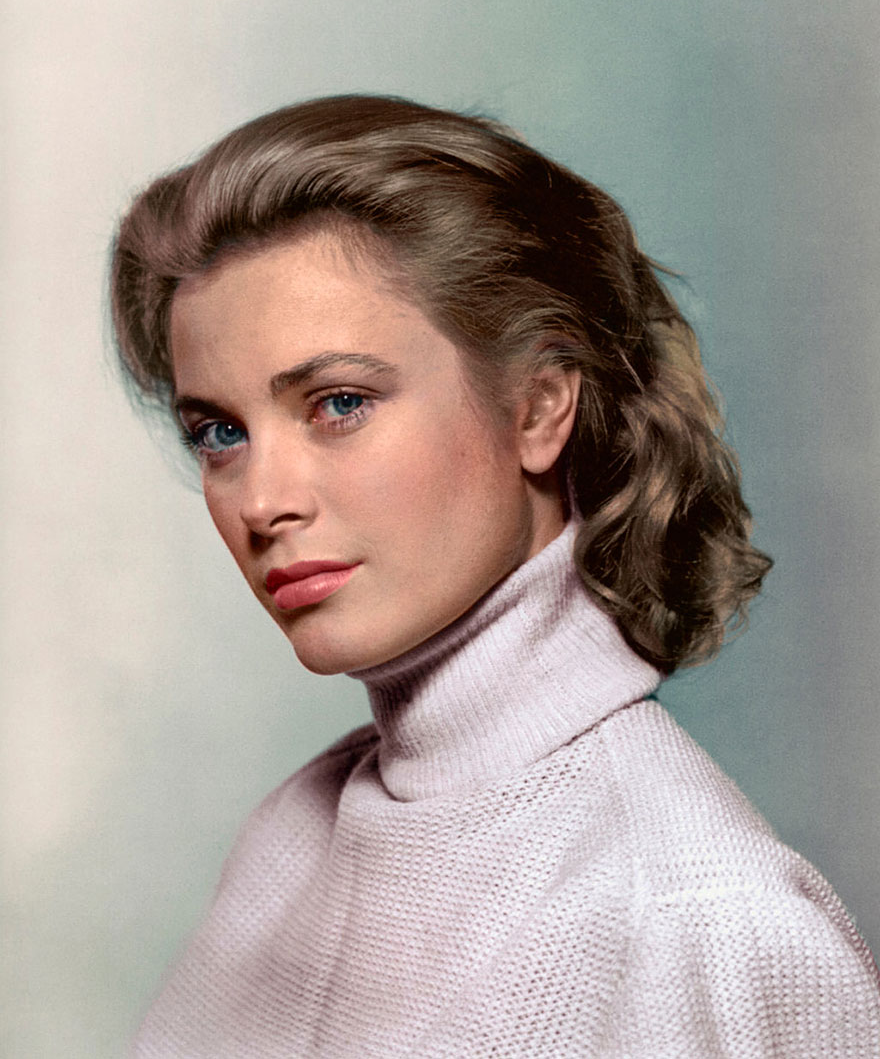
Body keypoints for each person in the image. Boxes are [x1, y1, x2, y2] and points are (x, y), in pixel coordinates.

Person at [112, 95, 880, 1057]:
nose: (262, 501)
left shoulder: (700, 915)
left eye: (338, 403)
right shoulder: (292, 841)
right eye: (221, 432)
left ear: (539, 407)